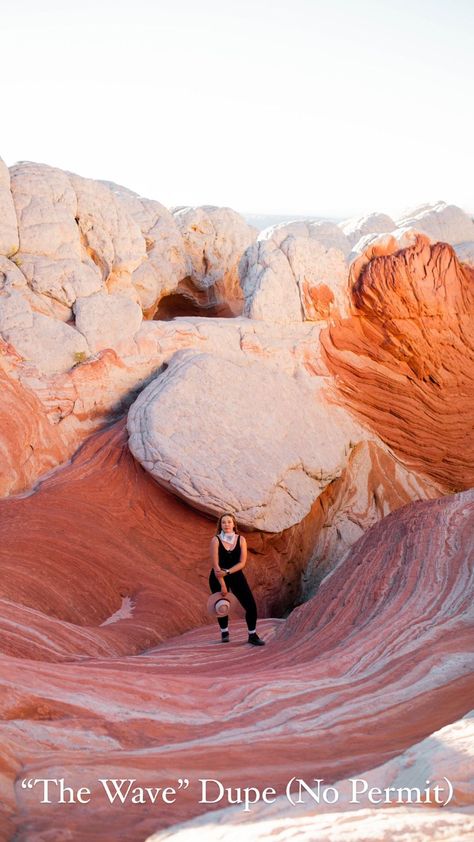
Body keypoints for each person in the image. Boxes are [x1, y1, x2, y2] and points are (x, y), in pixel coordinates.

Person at [209, 512, 265, 646]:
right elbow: (216, 566)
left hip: (235, 575)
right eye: (223, 522)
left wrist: (227, 572)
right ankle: (224, 632)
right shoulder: (215, 540)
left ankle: (252, 635)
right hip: (217, 577)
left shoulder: (241, 540)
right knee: (221, 605)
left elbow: (242, 562)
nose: (226, 524)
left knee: (251, 606)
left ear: (234, 524)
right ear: (220, 525)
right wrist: (222, 584)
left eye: (229, 522)